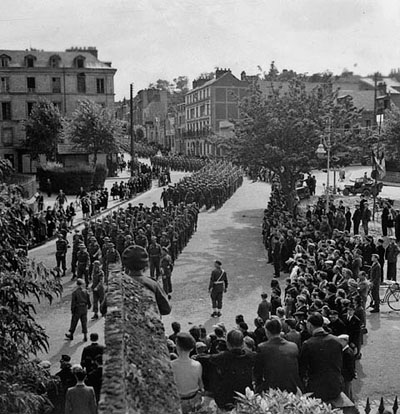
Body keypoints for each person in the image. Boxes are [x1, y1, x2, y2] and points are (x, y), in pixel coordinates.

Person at [200, 329, 256, 411]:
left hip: (227, 399)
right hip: (246, 396)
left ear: (228, 343)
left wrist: (196, 357)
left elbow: (207, 359)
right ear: (243, 343)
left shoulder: (222, 357)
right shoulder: (251, 356)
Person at [299, 313, 343, 403]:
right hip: (335, 386)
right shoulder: (336, 341)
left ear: (310, 325)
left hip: (317, 389)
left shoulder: (308, 344)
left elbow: (302, 370)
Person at [254, 319, 303, 394]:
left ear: (266, 331)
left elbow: (258, 373)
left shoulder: (262, 348)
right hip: (291, 388)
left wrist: (258, 388)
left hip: (272, 390)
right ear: (281, 330)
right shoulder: (293, 346)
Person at [122, 244, 171, 315]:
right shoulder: (153, 284)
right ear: (145, 264)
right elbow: (166, 309)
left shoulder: (117, 285)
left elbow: (104, 309)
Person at [171, 332, 203, 413]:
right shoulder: (197, 365)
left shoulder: (171, 365)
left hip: (179, 401)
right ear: (191, 348)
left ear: (177, 346)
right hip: (194, 399)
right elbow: (201, 385)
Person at [338, 334, 356, 402]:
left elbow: (350, 365)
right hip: (347, 375)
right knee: (348, 391)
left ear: (345, 341)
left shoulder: (347, 353)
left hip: (346, 376)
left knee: (346, 392)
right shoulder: (348, 350)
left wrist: (353, 374)